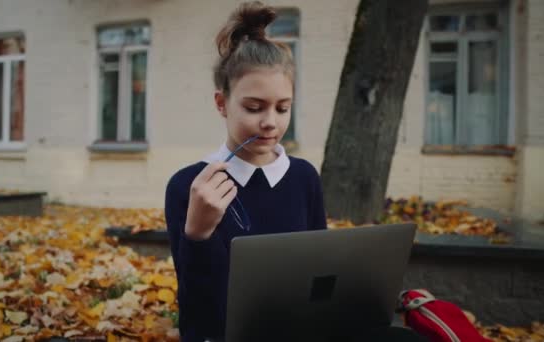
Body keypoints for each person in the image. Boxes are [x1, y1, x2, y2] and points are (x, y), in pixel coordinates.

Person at [165, 2, 428, 341]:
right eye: (253, 107)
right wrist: (198, 235)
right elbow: (199, 321)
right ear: (221, 104)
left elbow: (320, 287)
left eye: (282, 107)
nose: (270, 123)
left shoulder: (303, 176)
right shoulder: (189, 186)